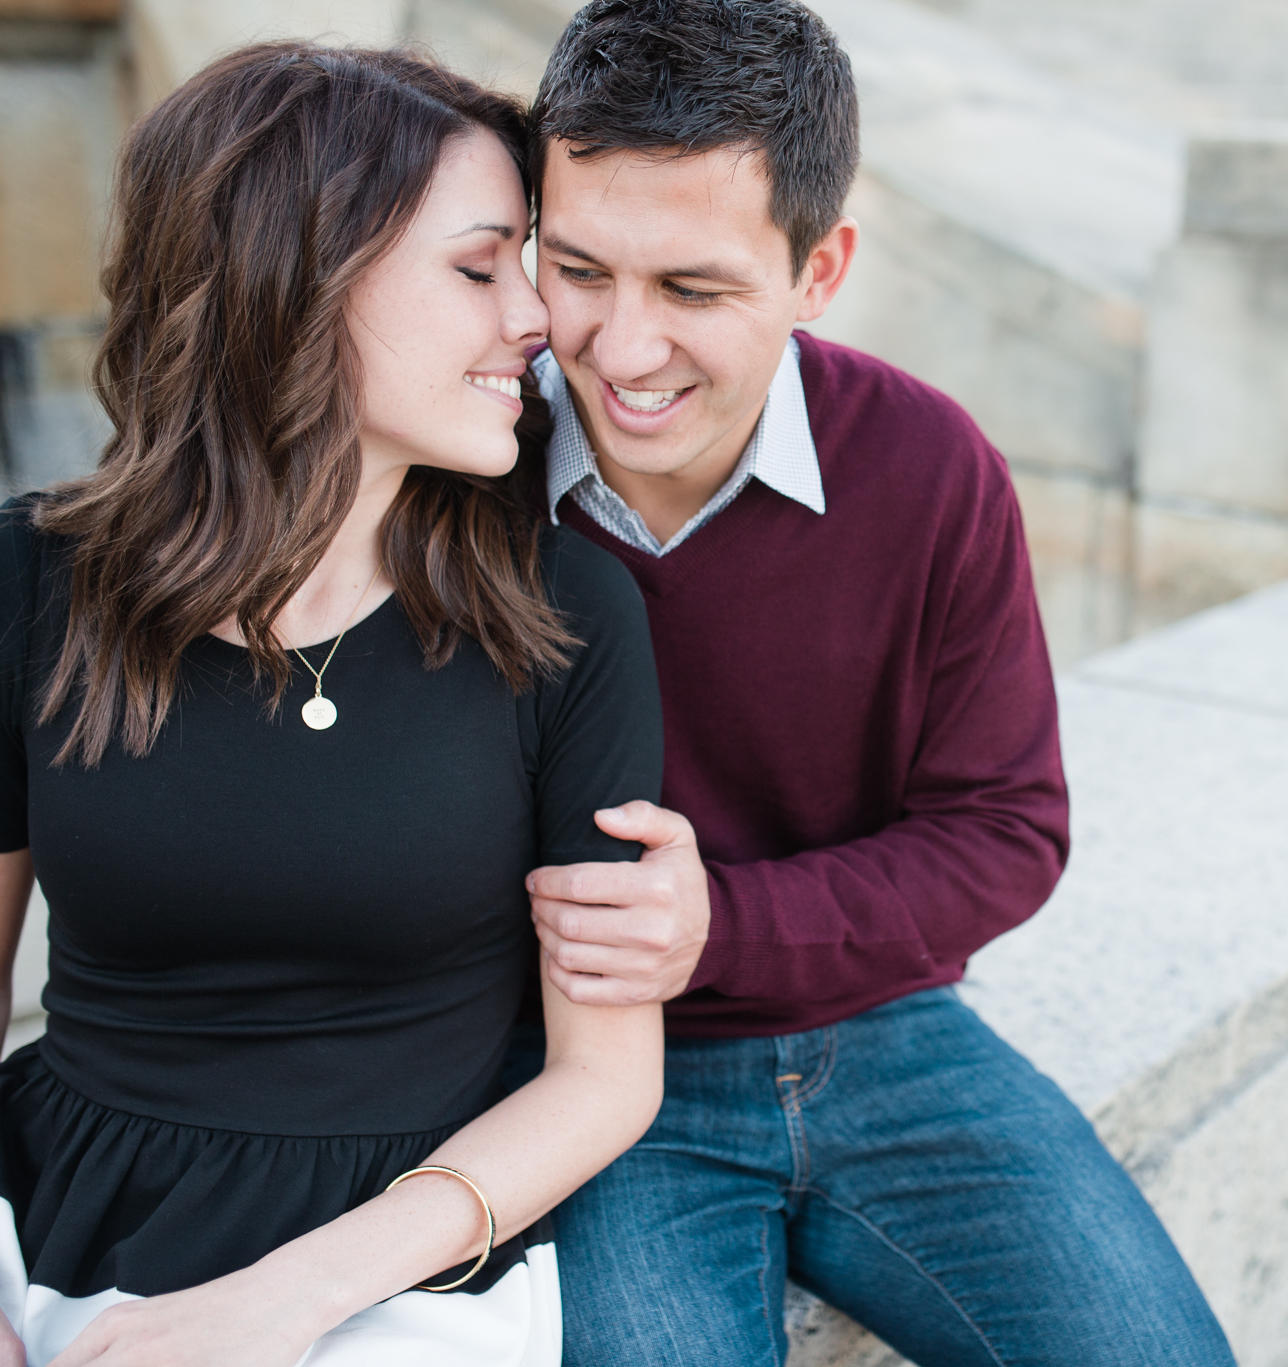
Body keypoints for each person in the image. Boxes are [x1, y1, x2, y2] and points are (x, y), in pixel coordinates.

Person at [508, 3, 1238, 1362]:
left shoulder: (930, 466)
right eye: (580, 269)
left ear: (820, 269)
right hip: (593, 1081)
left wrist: (718, 925)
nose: (617, 348)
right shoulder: (463, 471)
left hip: (892, 1039)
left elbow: (1007, 832)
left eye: (694, 289)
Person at [0, 44, 665, 1367]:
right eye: (478, 266)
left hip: (406, 1269)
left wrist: (285, 1301)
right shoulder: (13, 587)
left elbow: (605, 1076)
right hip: (39, 1223)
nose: (537, 320)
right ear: (300, 276)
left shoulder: (568, 615)